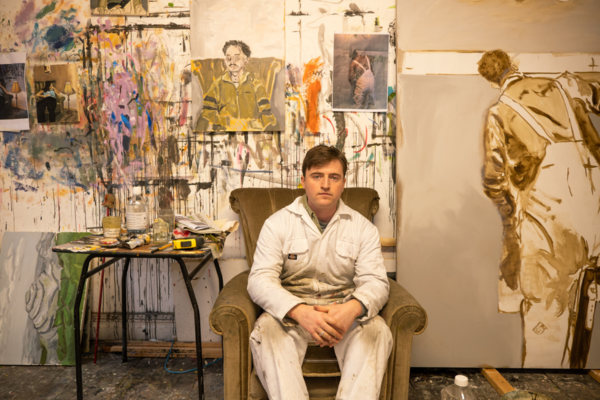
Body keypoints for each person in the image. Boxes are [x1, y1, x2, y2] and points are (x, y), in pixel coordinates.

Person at [479, 49, 600, 368]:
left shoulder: (499, 112)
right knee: (583, 316)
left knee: (546, 323)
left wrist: (511, 223)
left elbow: (494, 180)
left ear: (492, 81)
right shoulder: (565, 84)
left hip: (549, 219)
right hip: (594, 214)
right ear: (514, 66)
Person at [248, 145, 392, 400]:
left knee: (378, 331)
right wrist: (299, 311)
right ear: (303, 180)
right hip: (291, 313)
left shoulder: (362, 228)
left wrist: (352, 309)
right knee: (266, 331)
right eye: (317, 176)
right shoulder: (277, 223)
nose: (325, 184)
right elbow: (260, 280)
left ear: (343, 183)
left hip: (342, 311)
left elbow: (376, 282)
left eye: (333, 177)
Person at [195, 40, 277, 131]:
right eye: (228, 58)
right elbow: (207, 114)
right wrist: (229, 123)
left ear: (246, 60)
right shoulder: (217, 85)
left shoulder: (256, 85)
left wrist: (247, 125)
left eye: (236, 57)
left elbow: (268, 117)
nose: (231, 61)